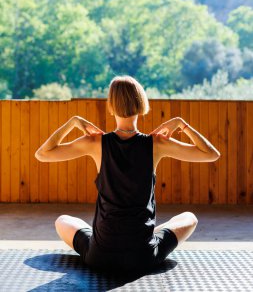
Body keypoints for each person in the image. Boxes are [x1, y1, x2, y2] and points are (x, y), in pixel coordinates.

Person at [35, 75, 220, 272]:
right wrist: (182, 124)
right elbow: (211, 154)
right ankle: (148, 235)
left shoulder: (95, 143)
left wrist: (72, 123)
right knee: (189, 218)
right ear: (141, 104)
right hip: (143, 256)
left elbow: (42, 154)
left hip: (100, 256)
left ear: (111, 107)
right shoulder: (156, 143)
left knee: (63, 221)